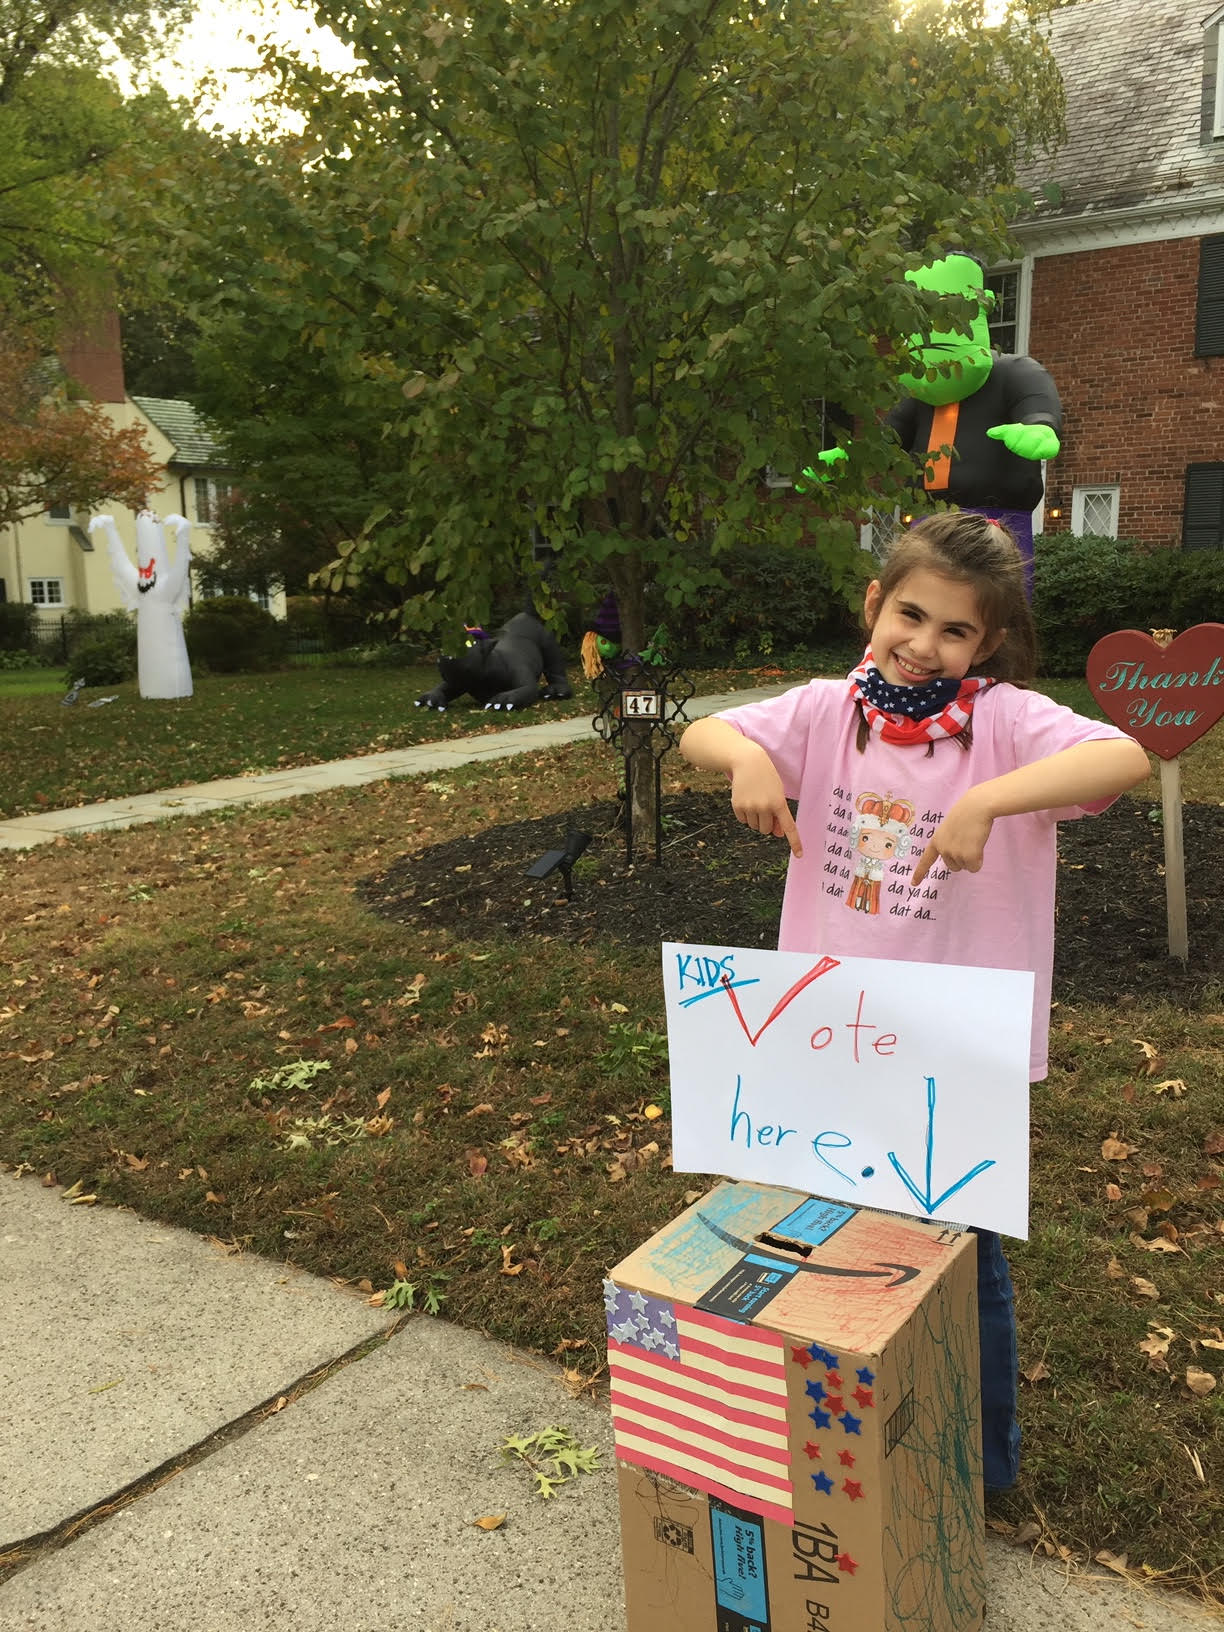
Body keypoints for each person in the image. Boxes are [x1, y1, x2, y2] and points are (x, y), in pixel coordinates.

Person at [678, 511, 1150, 1489]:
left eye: (955, 630)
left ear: (988, 645)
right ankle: (846, 1435)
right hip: (830, 1026)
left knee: (958, 1256)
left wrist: (988, 799)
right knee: (833, 1233)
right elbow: (701, 731)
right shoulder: (823, 712)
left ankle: (976, 1467)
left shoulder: (1008, 724)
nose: (924, 642)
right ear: (874, 605)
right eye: (910, 613)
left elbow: (1124, 758)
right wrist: (749, 759)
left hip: (953, 1047)